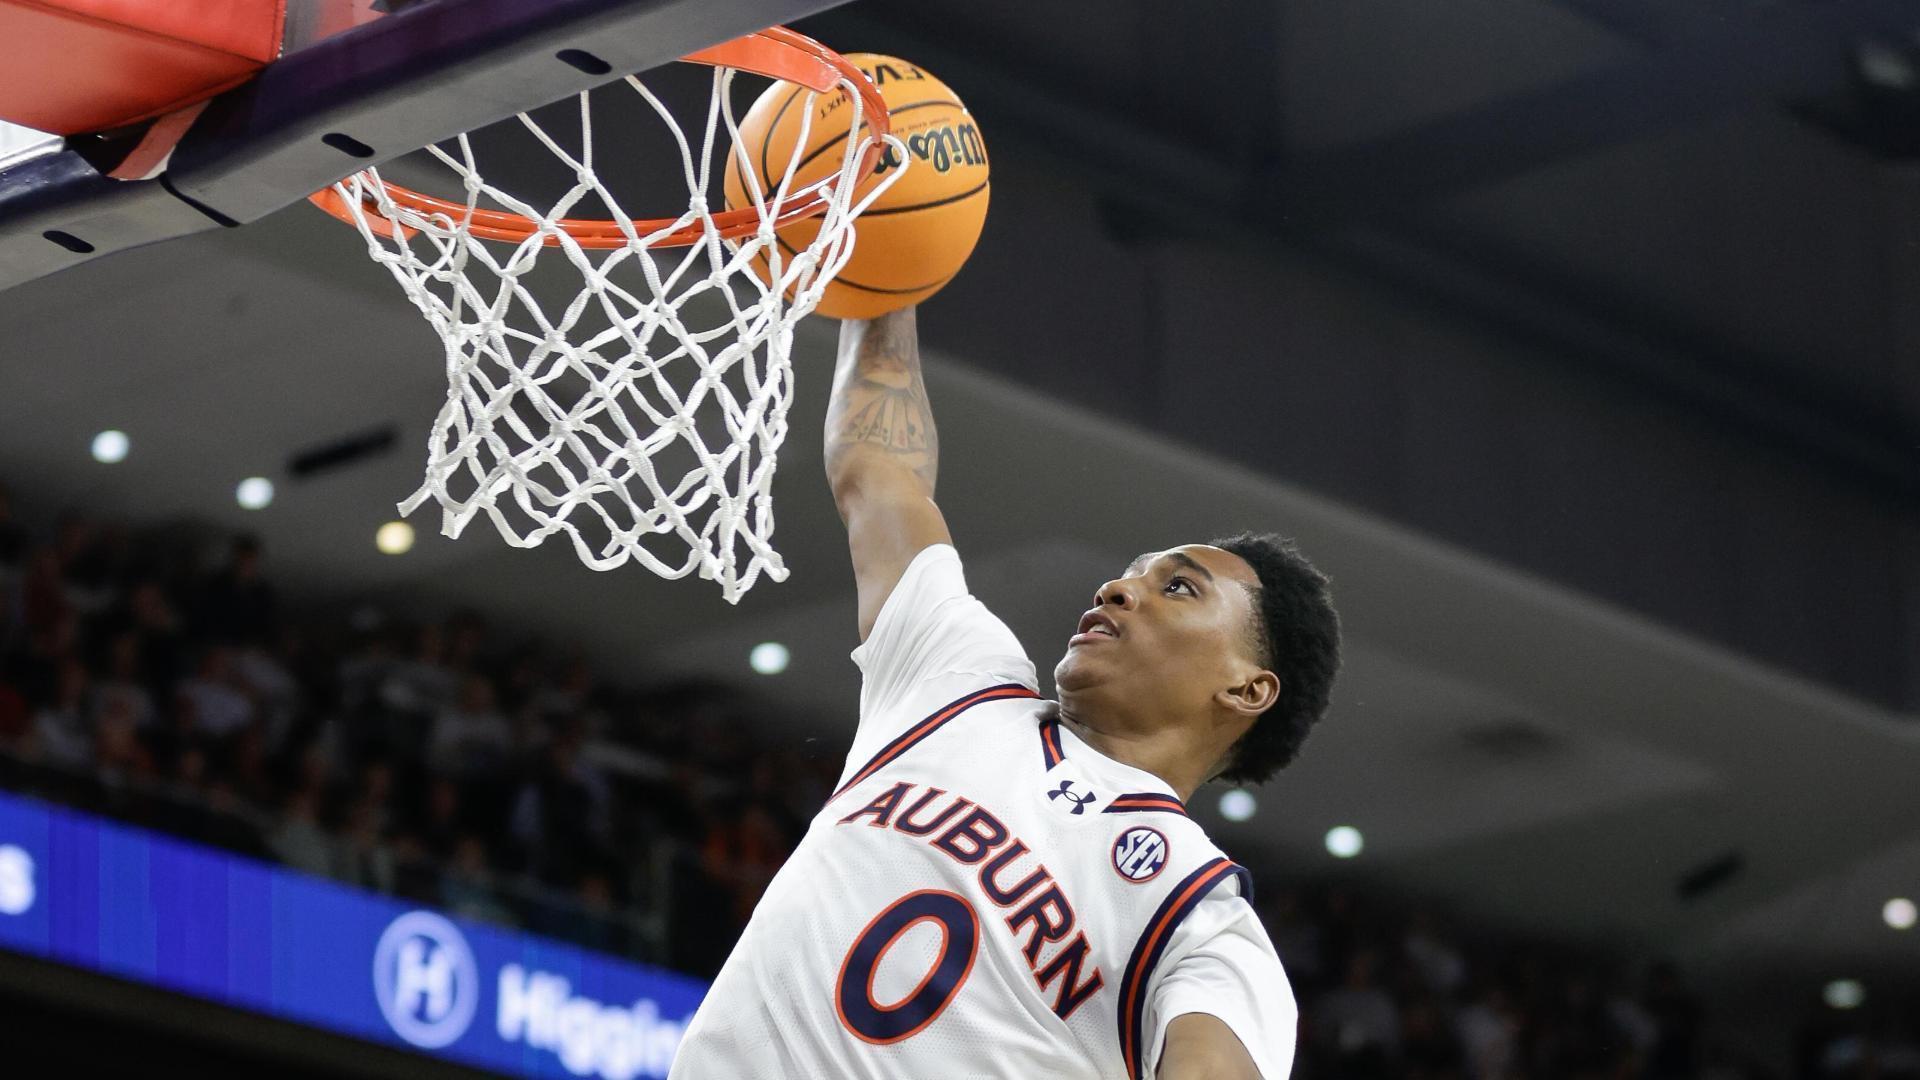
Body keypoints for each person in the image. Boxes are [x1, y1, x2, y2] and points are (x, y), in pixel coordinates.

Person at [670, 308, 1342, 1079]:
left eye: (1178, 588)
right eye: (1132, 570)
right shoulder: (960, 678)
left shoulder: (1198, 915)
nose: (1120, 588)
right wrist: (886, 287)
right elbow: (878, 475)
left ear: (1247, 688)